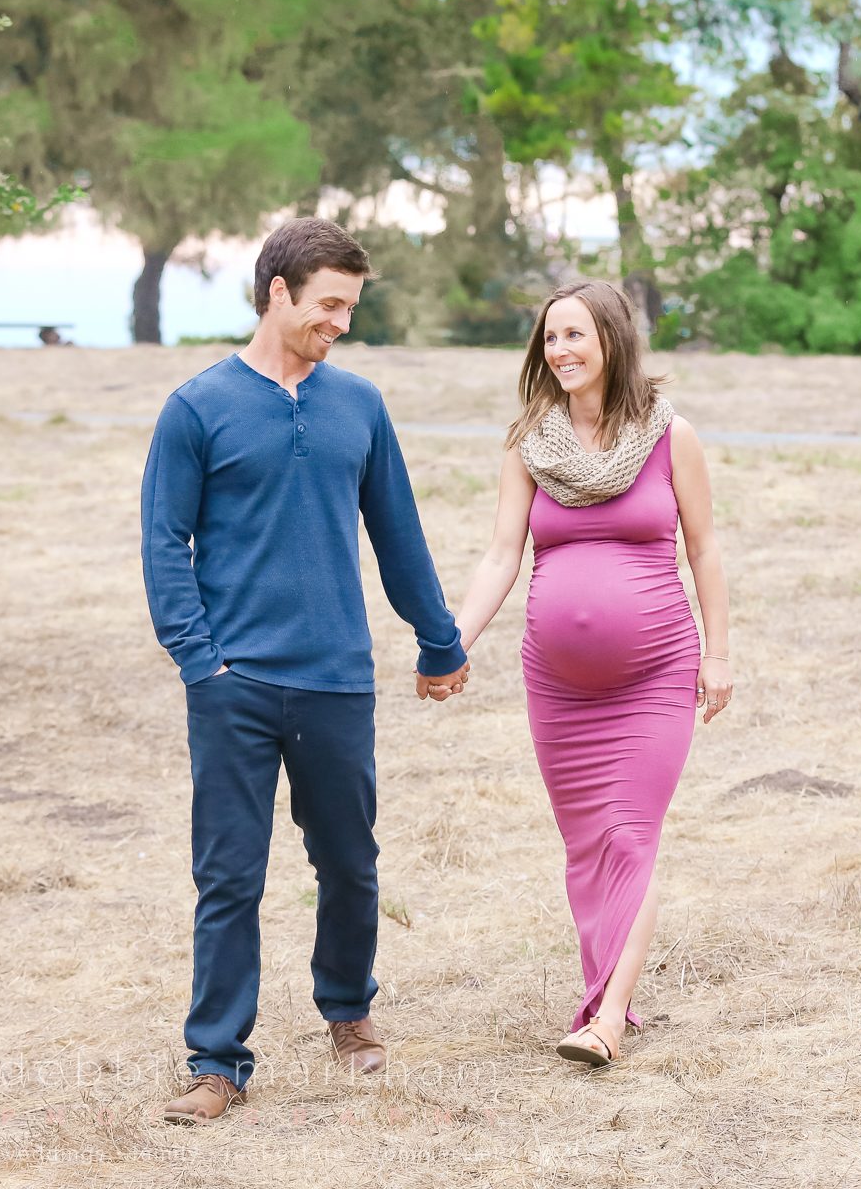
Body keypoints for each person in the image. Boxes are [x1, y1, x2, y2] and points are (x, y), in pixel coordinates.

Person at [139, 217, 469, 1123]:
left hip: (336, 680)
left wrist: (438, 640)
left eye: (352, 308)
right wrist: (200, 662)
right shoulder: (197, 407)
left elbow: (396, 531)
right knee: (230, 874)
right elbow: (164, 543)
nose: (342, 323)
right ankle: (216, 1063)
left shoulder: (357, 404)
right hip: (233, 685)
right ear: (277, 292)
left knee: (350, 863)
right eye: (329, 305)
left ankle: (350, 1014)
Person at [451, 280, 732, 1067]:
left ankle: (608, 1018)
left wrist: (720, 651)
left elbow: (704, 549)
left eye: (575, 334)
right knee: (584, 844)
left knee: (629, 835)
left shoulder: (670, 435)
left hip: (656, 674)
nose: (561, 351)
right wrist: (455, 639)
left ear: (611, 338)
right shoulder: (530, 443)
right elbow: (504, 552)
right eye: (549, 338)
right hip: (559, 686)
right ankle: (603, 996)